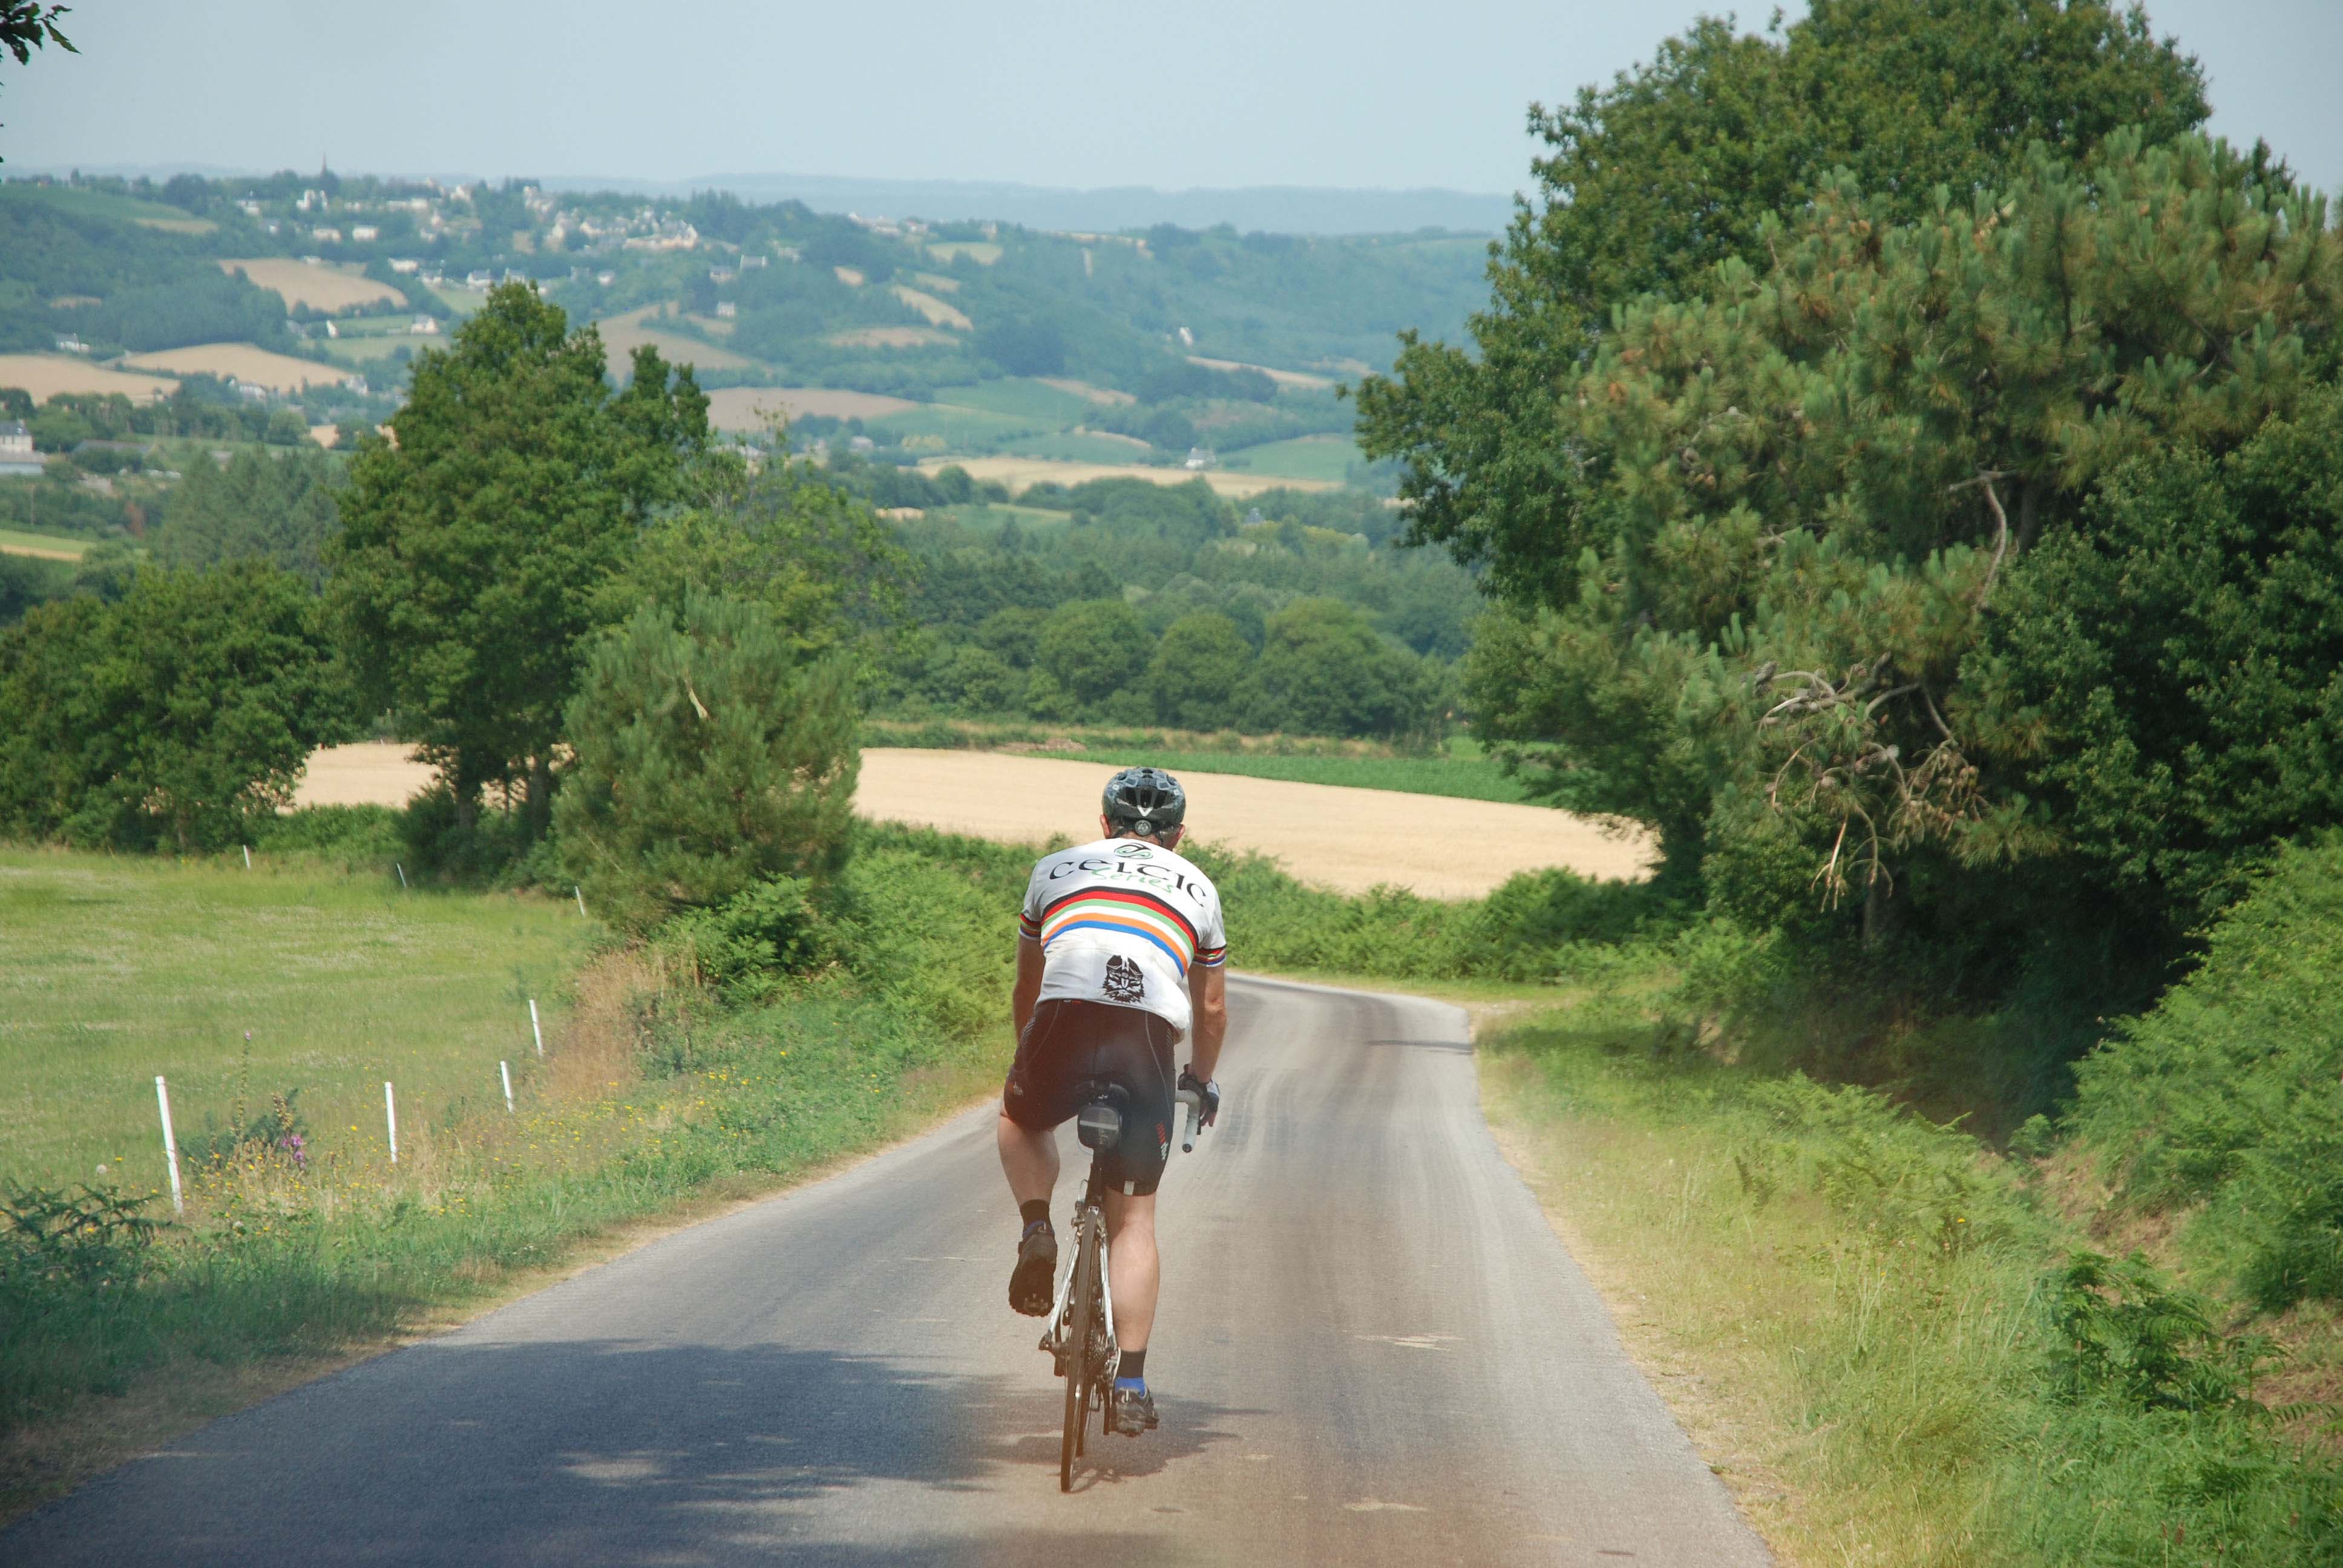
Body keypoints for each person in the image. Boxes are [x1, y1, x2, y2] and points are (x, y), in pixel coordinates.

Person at [998, 766, 1227, 1439]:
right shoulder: (1200, 888)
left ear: (1104, 826)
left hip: (1062, 1018)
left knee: (1019, 1120)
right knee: (1134, 1221)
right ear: (1177, 836)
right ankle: (1130, 1383)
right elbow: (1209, 1009)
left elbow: (1026, 982)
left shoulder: (1056, 868)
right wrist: (1200, 1080)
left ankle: (1037, 1226)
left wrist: (1028, 1059)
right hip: (1144, 1039)